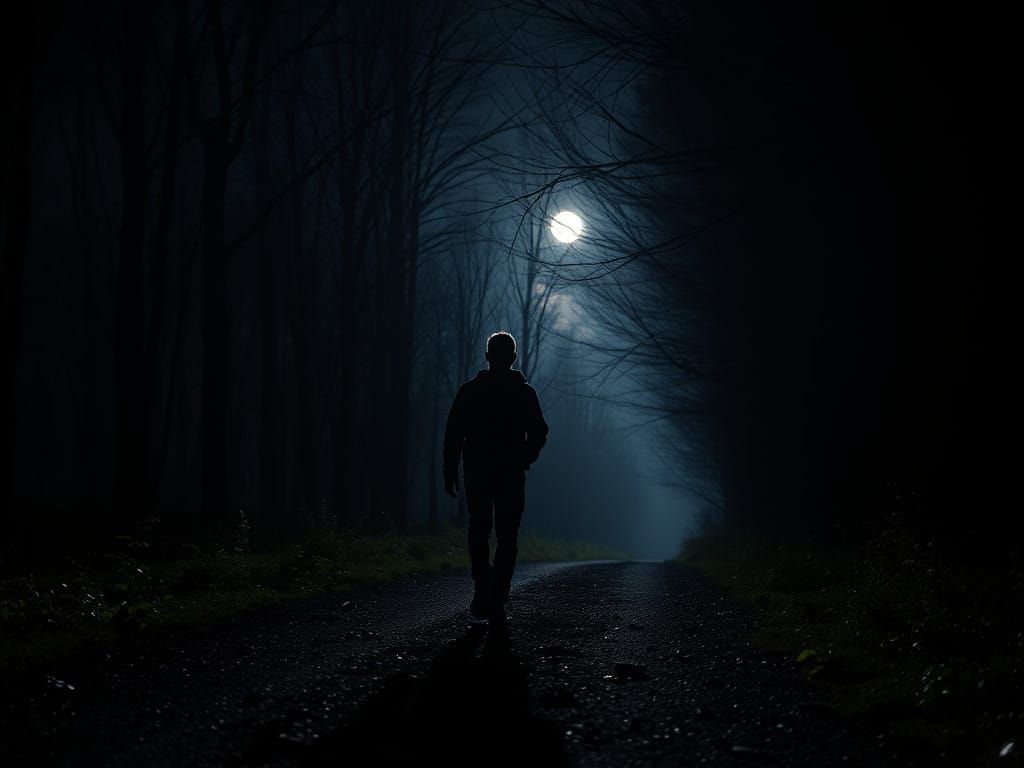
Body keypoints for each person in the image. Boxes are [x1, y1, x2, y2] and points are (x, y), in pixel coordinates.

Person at [443, 331, 549, 623]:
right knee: (503, 534)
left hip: (483, 471)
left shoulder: (471, 391)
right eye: (498, 353)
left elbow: (453, 434)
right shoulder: (523, 393)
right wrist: (524, 458)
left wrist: (450, 470)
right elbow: (539, 432)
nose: (500, 358)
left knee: (484, 530)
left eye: (502, 354)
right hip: (504, 473)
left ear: (488, 356)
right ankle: (494, 591)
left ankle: (488, 589)